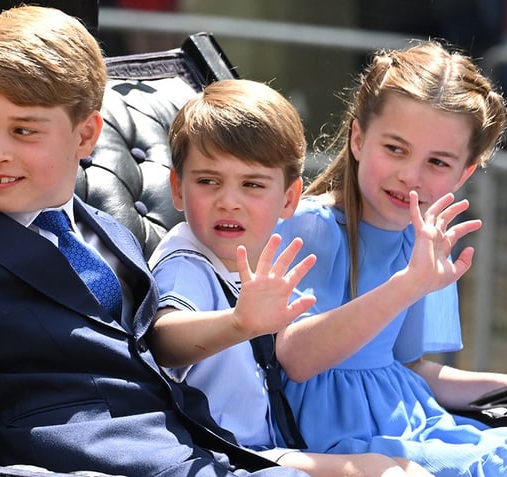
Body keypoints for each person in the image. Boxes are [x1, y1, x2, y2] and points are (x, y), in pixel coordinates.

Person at [0, 6, 307, 477]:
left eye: (23, 130)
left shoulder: (113, 233)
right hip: (77, 461)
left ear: (85, 135)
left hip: (196, 449)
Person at [271, 40, 507, 477]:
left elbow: (408, 368)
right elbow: (296, 358)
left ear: (464, 173)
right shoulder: (310, 225)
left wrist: (506, 387)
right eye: (395, 149)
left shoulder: (422, 239)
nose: (411, 175)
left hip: (419, 424)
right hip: (350, 445)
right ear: (358, 138)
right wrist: (409, 283)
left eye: (437, 162)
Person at [147, 78, 434, 477]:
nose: (228, 201)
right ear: (177, 189)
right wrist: (237, 323)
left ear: (289, 199)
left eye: (252, 185)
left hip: (270, 444)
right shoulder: (187, 259)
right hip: (219, 451)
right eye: (208, 181)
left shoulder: (264, 258)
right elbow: (162, 339)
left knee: (402, 468)